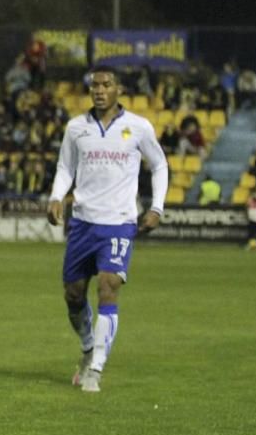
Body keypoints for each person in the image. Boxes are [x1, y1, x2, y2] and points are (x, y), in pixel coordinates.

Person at [47, 65, 168, 394]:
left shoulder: (138, 127)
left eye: (106, 85)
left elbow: (158, 165)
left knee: (108, 286)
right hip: (83, 222)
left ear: (119, 90)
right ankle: (88, 348)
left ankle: (96, 368)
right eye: (94, 85)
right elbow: (65, 167)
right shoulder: (76, 128)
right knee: (73, 295)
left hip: (119, 223)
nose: (99, 90)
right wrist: (57, 196)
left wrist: (156, 207)